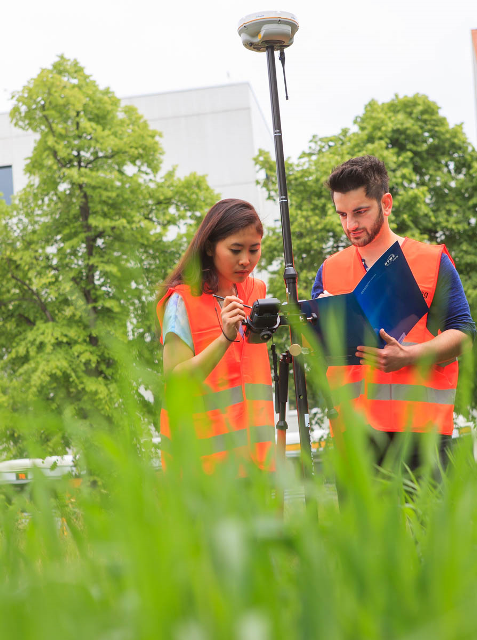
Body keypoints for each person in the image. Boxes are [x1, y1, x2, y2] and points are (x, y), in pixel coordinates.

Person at [312, 155, 475, 471]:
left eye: (360, 212)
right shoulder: (328, 272)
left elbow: (465, 333)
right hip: (354, 441)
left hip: (422, 436)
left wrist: (411, 356)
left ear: (385, 204)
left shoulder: (432, 261)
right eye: (342, 214)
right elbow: (318, 353)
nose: (350, 225)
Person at [157, 199, 275, 475]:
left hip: (257, 462)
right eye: (235, 250)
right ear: (210, 247)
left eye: (254, 249)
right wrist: (224, 339)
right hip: (202, 468)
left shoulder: (257, 291)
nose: (246, 260)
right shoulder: (181, 302)